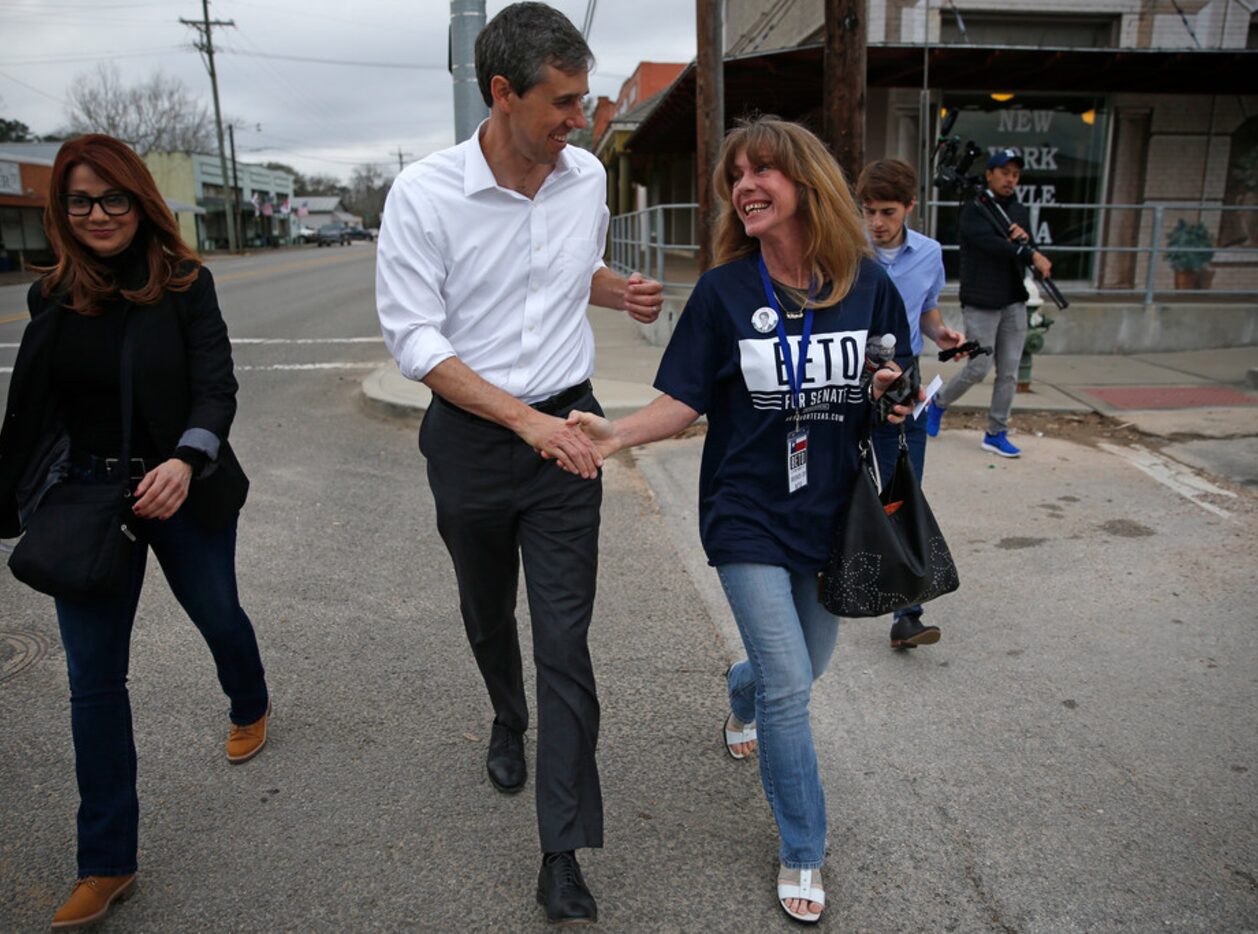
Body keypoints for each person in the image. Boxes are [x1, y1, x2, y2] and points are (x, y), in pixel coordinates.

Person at [568, 115, 915, 925]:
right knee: (794, 685)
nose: (745, 186)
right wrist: (615, 433)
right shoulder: (726, 293)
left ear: (806, 185)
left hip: (832, 514)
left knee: (802, 665)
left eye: (763, 171)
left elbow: (895, 391)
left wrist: (893, 396)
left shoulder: (867, 283)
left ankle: (741, 694)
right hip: (747, 511)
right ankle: (803, 847)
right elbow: (685, 398)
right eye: (735, 176)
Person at [373, 3, 662, 924]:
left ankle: (562, 851)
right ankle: (506, 713)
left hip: (568, 427)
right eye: (564, 102)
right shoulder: (424, 194)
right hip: (471, 437)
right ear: (502, 94)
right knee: (486, 609)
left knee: (566, 643)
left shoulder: (582, 182)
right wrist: (520, 423)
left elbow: (564, 270)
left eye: (583, 100)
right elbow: (416, 336)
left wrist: (620, 292)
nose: (581, 119)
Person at [0, 133, 270, 930]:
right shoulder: (52, 296)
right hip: (89, 501)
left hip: (182, 490)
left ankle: (250, 698)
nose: (98, 213)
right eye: (81, 200)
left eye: (113, 197)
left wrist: (184, 462)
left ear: (140, 201)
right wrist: (6, 508)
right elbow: (36, 416)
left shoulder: (184, 283)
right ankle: (106, 863)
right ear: (61, 212)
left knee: (217, 614)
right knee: (93, 685)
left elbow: (216, 387)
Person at [856, 158, 966, 650]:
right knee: (840, 483)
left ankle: (908, 614)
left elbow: (927, 311)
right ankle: (829, 576)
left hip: (907, 377)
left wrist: (943, 333)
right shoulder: (849, 250)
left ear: (910, 208)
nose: (877, 222)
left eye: (887, 212)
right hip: (852, 377)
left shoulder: (930, 252)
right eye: (868, 211)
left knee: (905, 489)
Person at [924, 147, 1052, 458]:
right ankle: (937, 403)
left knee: (1008, 372)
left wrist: (1026, 244)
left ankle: (996, 432)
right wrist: (1021, 249)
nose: (1010, 179)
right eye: (1005, 172)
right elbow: (989, 245)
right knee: (978, 368)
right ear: (990, 174)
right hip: (982, 300)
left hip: (1013, 301)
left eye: (1015, 174)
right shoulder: (975, 209)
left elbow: (1027, 251)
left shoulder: (1018, 212)